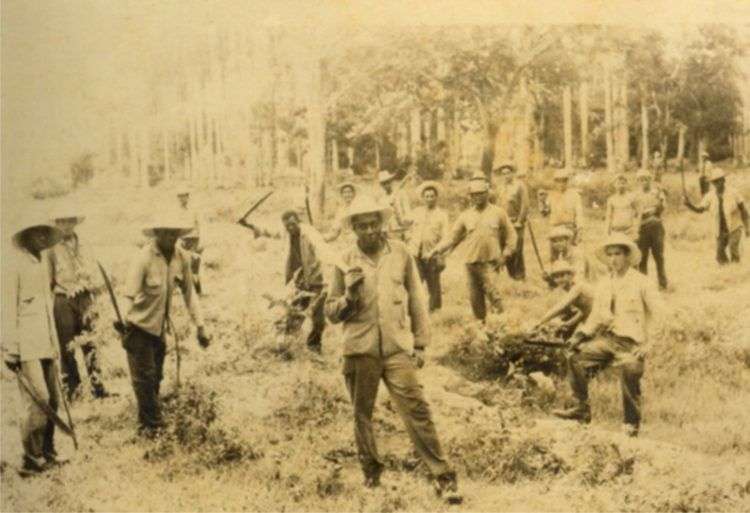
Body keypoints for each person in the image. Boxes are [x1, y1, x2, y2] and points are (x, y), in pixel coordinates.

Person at [325, 196, 461, 503]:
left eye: (374, 224)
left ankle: (443, 477)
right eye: (362, 226)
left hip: (398, 348)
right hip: (360, 349)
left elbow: (417, 300)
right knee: (362, 414)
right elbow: (331, 312)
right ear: (354, 229)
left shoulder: (400, 254)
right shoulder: (344, 260)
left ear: (382, 223)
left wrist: (421, 343)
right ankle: (371, 475)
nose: (370, 231)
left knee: (418, 409)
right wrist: (348, 296)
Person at [554, 233, 660, 437]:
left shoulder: (642, 283)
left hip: (632, 343)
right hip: (609, 340)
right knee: (575, 357)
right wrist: (579, 336)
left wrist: (648, 344)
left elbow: (659, 315)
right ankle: (581, 410)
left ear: (627, 256)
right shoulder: (604, 283)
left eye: (618, 254)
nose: (613, 259)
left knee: (630, 371)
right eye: (610, 254)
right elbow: (597, 317)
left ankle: (631, 426)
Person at [116, 214, 211, 437]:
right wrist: (121, 317)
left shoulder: (182, 257)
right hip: (138, 328)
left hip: (159, 329)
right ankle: (155, 427)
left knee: (155, 377)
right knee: (145, 379)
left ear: (179, 235)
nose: (169, 237)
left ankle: (146, 424)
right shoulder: (143, 258)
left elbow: (190, 294)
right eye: (165, 232)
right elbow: (129, 294)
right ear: (157, 233)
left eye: (174, 232)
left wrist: (201, 326)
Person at [3, 214, 66, 476]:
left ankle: (49, 451)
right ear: (26, 236)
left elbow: (46, 308)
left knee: (53, 398)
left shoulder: (42, 265)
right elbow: (7, 310)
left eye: (44, 233)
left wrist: (55, 343)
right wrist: (11, 348)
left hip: (46, 341)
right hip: (26, 345)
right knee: (36, 399)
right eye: (36, 233)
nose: (41, 237)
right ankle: (31, 457)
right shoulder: (14, 267)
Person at [428, 174, 517, 322]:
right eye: (473, 194)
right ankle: (481, 328)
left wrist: (505, 255)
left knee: (495, 297)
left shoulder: (498, 213)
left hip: (490, 263)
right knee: (475, 299)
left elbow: (512, 235)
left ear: (487, 194)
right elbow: (452, 237)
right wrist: (436, 250)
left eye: (480, 194)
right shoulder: (465, 216)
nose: (477, 197)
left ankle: (503, 327)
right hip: (470, 263)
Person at [243, 211, 327, 352]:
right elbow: (268, 232)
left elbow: (324, 245)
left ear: (298, 221)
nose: (290, 227)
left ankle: (314, 345)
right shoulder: (285, 234)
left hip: (315, 278)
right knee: (294, 312)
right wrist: (250, 225)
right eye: (287, 225)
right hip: (297, 279)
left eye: (293, 224)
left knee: (317, 314)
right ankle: (288, 346)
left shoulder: (309, 233)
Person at [47, 211, 110, 399]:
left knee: (91, 341)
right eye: (62, 221)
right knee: (67, 345)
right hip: (63, 299)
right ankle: (73, 390)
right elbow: (49, 279)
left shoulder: (84, 243)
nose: (66, 225)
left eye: (69, 221)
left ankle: (98, 386)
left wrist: (93, 288)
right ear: (57, 223)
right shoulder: (51, 248)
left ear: (75, 223)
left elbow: (93, 268)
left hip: (85, 297)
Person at [684, 168, 750, 264]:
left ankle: (735, 269)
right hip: (720, 229)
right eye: (714, 182)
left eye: (718, 181)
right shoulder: (710, 196)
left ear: (723, 180)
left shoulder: (734, 192)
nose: (716, 184)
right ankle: (726, 272)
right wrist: (689, 204)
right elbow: (700, 210)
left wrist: (747, 227)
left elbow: (744, 210)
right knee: (720, 256)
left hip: (734, 227)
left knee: (733, 247)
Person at [408, 181, 449, 312]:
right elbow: (404, 224)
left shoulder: (441, 215)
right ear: (423, 198)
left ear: (436, 198)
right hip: (416, 253)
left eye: (432, 196)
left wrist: (439, 254)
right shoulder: (416, 212)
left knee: (433, 282)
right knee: (416, 282)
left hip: (432, 253)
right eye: (427, 196)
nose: (429, 199)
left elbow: (446, 236)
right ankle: (416, 309)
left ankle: (434, 309)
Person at [530, 260, 594, 340]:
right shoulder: (569, 289)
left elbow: (562, 306)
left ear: (571, 275)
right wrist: (568, 324)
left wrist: (540, 321)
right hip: (591, 316)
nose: (559, 279)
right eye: (556, 277)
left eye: (562, 275)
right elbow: (584, 310)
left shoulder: (578, 287)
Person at [635, 169, 668, 289]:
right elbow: (634, 212)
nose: (643, 182)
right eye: (640, 180)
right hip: (642, 228)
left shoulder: (657, 192)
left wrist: (656, 208)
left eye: (646, 179)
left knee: (659, 256)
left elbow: (662, 207)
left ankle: (663, 283)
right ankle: (644, 285)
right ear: (637, 182)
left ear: (650, 180)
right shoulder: (635, 196)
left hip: (656, 227)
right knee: (642, 257)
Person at [495, 164, 529, 280]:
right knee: (506, 249)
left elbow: (525, 205)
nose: (506, 175)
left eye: (508, 173)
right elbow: (497, 206)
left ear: (512, 173)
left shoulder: (519, 186)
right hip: (503, 224)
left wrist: (520, 221)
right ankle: (511, 276)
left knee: (517, 250)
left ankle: (519, 276)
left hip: (515, 223)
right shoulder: (500, 188)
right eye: (503, 173)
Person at [539, 169, 585, 252]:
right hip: (555, 229)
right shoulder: (551, 196)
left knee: (570, 254)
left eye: (563, 181)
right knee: (553, 255)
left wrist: (580, 230)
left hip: (569, 229)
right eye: (558, 181)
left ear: (567, 181)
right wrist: (541, 202)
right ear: (555, 182)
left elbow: (579, 214)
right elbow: (544, 213)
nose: (561, 184)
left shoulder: (574, 195)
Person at [176, 187, 204, 294]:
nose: (182, 199)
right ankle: (186, 290)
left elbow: (199, 225)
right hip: (182, 240)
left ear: (188, 197)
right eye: (180, 197)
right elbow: (176, 227)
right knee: (182, 265)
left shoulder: (194, 210)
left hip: (194, 239)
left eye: (184, 196)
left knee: (194, 264)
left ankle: (197, 290)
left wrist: (199, 241)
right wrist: (178, 239)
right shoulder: (177, 212)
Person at [604, 174, 641, 240]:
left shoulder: (632, 197)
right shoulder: (611, 199)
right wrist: (607, 232)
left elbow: (638, 214)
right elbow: (609, 216)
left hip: (629, 231)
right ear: (614, 185)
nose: (621, 185)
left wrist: (636, 229)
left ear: (626, 184)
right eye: (618, 183)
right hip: (615, 231)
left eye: (623, 183)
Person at [377, 170, 412, 238]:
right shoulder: (381, 200)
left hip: (402, 228)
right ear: (381, 185)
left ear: (391, 182)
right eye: (384, 183)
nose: (386, 185)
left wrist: (405, 223)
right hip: (389, 230)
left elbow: (407, 210)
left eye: (388, 182)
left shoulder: (401, 193)